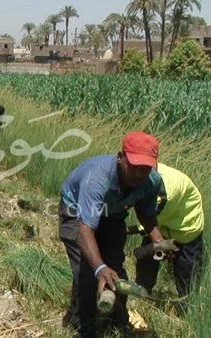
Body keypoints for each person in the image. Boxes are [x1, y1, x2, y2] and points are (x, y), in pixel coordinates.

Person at [58, 131, 169, 338]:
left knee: (116, 271)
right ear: (120, 157)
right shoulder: (98, 178)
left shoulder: (151, 181)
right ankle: (84, 328)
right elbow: (85, 229)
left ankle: (117, 322)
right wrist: (99, 268)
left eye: (145, 168)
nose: (139, 174)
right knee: (89, 274)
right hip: (76, 214)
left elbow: (146, 213)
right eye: (134, 166)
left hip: (113, 214)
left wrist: (158, 240)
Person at [134, 163, 205, 304]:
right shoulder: (142, 168)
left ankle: (187, 309)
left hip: (185, 229)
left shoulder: (167, 192)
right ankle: (142, 294)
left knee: (187, 273)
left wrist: (123, 230)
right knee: (149, 261)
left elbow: (149, 220)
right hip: (161, 226)